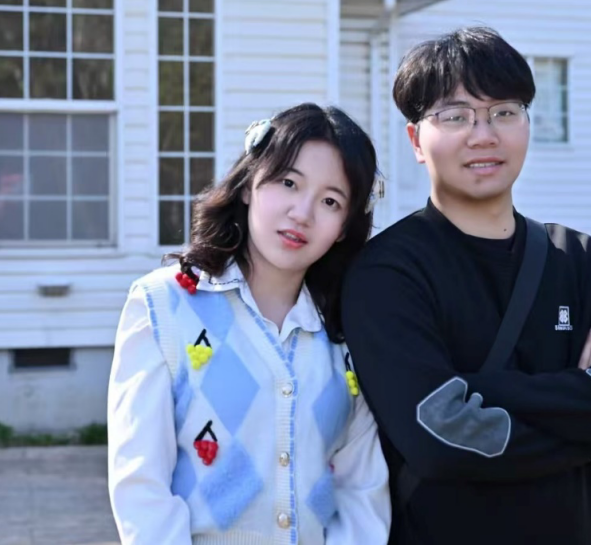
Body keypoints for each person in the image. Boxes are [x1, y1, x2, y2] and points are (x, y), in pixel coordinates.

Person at [340, 27, 591, 545]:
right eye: (456, 116)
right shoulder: (388, 273)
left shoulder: (583, 261)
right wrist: (584, 414)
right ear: (416, 141)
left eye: (504, 112)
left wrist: (481, 390)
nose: (484, 135)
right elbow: (439, 440)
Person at [108, 103, 391, 544]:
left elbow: (361, 491)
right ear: (248, 184)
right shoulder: (163, 305)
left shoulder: (349, 329)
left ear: (343, 227)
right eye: (288, 183)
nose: (302, 213)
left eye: (330, 201)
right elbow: (141, 487)